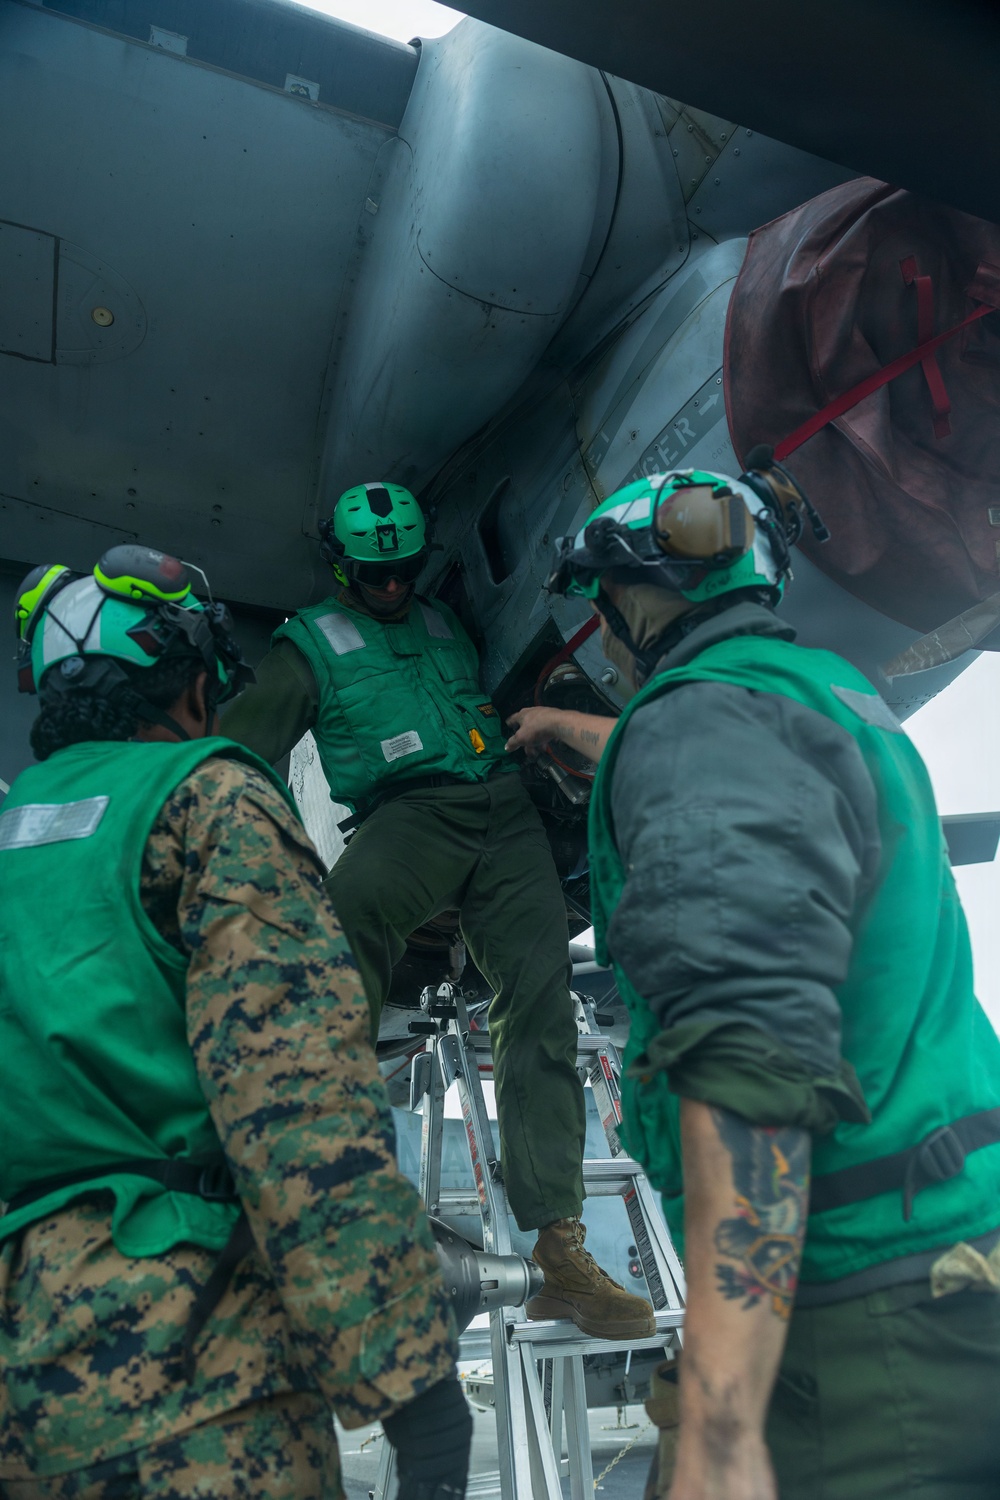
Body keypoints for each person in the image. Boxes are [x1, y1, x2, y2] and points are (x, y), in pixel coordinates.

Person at [508, 461, 1000, 1499]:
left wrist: (723, 1427)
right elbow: (739, 766)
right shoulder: (826, 699)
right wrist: (587, 739)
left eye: (606, 604)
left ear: (639, 601)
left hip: (862, 1331)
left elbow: (748, 1059)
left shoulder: (697, 726)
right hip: (957, 1265)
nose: (602, 634)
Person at [0, 546, 471, 1500]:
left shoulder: (9, 836)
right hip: (204, 1386)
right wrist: (414, 1387)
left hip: (28, 1392)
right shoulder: (208, 800)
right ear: (188, 680)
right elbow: (298, 1114)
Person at [221, 481, 655, 1340]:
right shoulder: (307, 643)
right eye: (374, 574)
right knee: (330, 957)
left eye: (403, 572)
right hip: (406, 816)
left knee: (540, 1006)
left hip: (502, 812)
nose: (391, 587)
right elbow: (239, 747)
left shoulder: (444, 622)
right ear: (342, 565)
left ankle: (562, 1254)